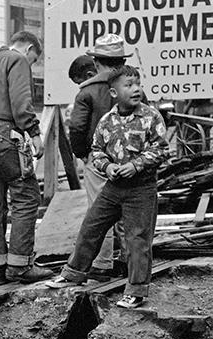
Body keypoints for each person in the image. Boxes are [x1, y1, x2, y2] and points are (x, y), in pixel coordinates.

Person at [50, 65, 169, 309]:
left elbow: (161, 149)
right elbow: (97, 151)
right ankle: (73, 273)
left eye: (138, 84)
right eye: (129, 85)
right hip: (113, 188)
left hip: (141, 189)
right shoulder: (106, 121)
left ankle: (136, 290)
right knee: (91, 227)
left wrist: (136, 165)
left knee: (138, 239)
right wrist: (107, 168)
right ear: (113, 93)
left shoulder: (151, 117)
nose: (136, 89)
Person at [0, 31, 53, 286]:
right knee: (26, 195)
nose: (32, 64)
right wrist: (35, 133)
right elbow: (20, 102)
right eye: (34, 60)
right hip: (0, 134)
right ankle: (20, 265)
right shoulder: (17, 61)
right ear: (28, 49)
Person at [68, 34, 131, 276]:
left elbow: (77, 128)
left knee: (100, 210)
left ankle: (102, 263)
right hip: (129, 159)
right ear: (122, 60)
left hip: (99, 159)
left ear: (96, 62)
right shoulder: (132, 87)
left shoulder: (88, 91)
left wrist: (83, 154)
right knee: (129, 210)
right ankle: (128, 260)